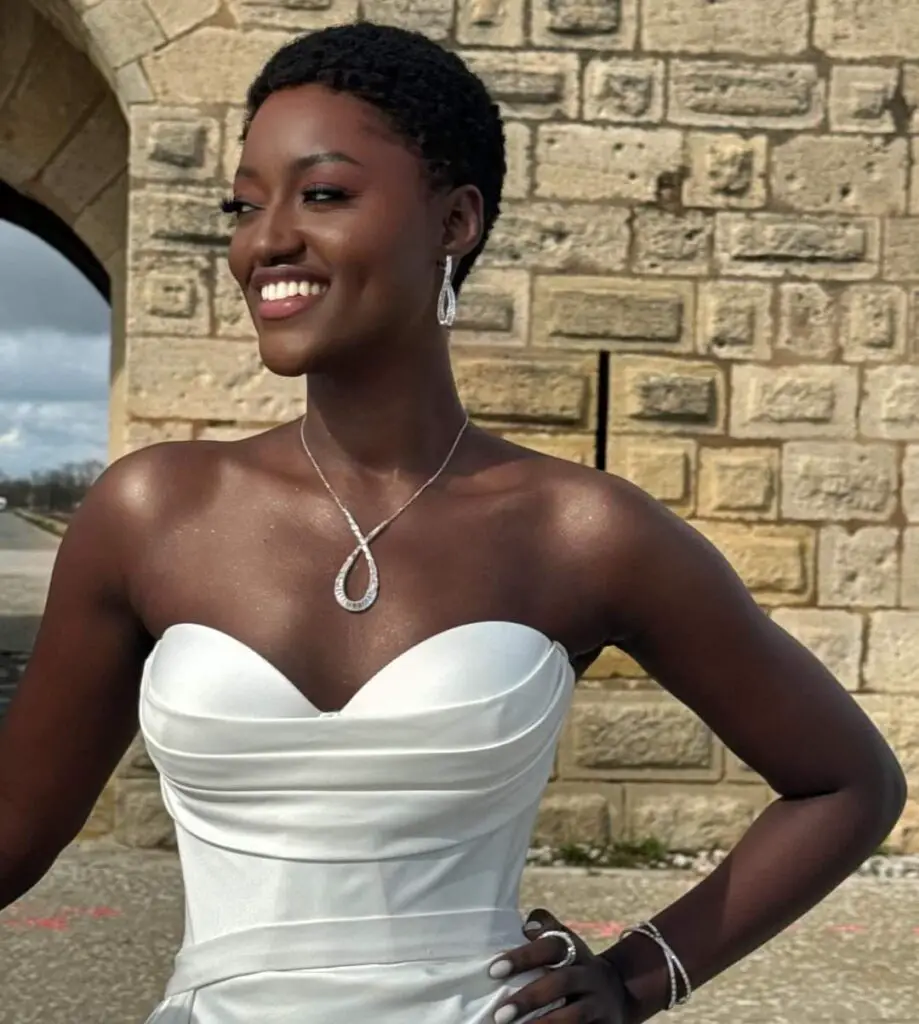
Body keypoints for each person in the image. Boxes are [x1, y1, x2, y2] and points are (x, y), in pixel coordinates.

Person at [0, 21, 906, 1024]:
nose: (266, 241)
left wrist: (636, 978)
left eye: (324, 193)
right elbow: (12, 833)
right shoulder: (151, 511)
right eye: (244, 204)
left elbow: (844, 784)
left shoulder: (580, 529)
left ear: (455, 220)